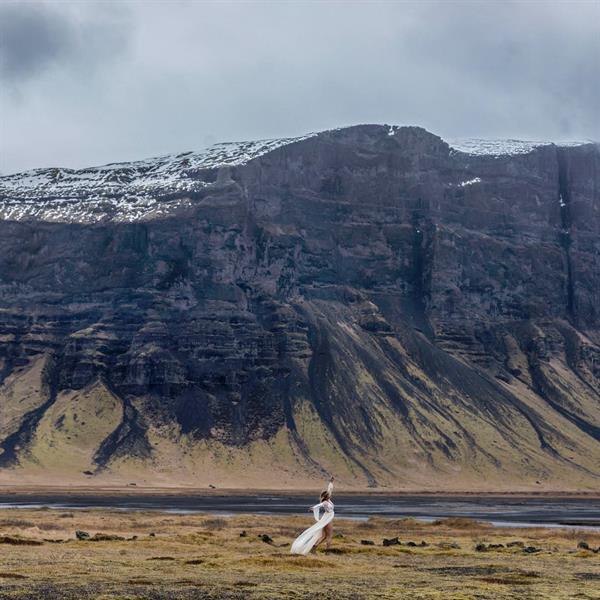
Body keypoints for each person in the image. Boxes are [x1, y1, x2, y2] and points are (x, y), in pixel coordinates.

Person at [290, 476, 335, 555]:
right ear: (326, 496)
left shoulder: (328, 500)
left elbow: (330, 490)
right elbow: (319, 505)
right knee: (329, 536)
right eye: (328, 495)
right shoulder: (325, 502)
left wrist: (331, 482)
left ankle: (314, 547)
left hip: (326, 518)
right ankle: (327, 552)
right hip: (328, 520)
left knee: (324, 536)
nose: (330, 495)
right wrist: (313, 508)